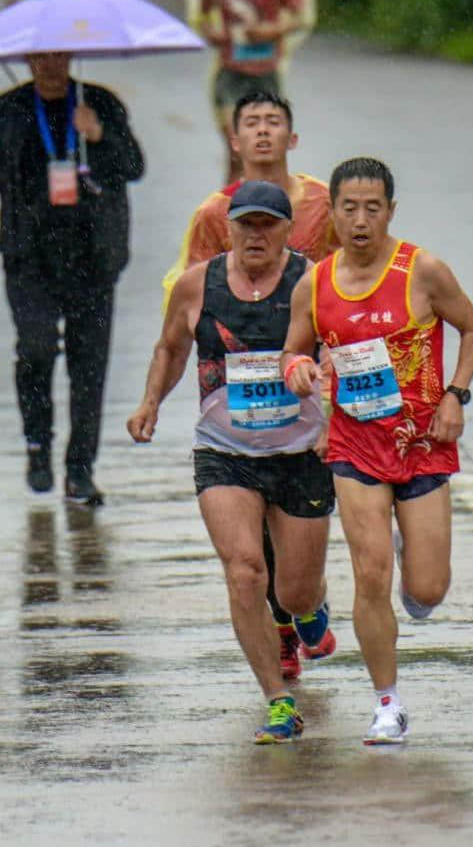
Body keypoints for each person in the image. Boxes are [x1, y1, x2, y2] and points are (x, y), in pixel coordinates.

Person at [282, 157, 473, 745]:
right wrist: (297, 369)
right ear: (334, 216)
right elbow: (292, 350)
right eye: (349, 208)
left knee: (425, 591)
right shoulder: (315, 283)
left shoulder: (422, 270)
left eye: (373, 208)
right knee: (370, 573)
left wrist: (455, 396)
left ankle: (414, 571)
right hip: (354, 443)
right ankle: (387, 704)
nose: (361, 220)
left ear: (390, 212)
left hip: (422, 444)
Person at [127, 181, 335, 744]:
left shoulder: (314, 282)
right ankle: (278, 699)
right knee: (245, 571)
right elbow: (171, 347)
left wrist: (336, 420)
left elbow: (341, 350)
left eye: (268, 224)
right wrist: (150, 402)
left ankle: (310, 607)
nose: (256, 235)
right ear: (230, 229)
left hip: (300, 454)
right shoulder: (198, 285)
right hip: (226, 454)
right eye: (246, 224)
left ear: (288, 231)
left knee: (293, 592)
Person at [162, 88, 339, 682]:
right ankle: (281, 637)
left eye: (274, 123)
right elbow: (189, 287)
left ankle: (300, 605)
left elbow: (355, 278)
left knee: (293, 549)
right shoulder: (214, 213)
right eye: (251, 124)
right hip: (238, 383)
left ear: (292, 136)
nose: (263, 133)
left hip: (311, 382)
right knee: (248, 547)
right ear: (234, 141)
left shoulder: (322, 204)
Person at [0, 51, 144, 504]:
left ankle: (80, 468)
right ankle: (37, 444)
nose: (49, 65)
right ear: (26, 59)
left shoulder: (99, 102)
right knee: (37, 347)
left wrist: (98, 136)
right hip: (30, 257)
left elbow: (133, 167)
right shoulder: (10, 109)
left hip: (93, 257)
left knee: (89, 366)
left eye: (58, 56)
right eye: (40, 57)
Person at [185, 0, 315, 182]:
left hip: (266, 74)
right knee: (237, 151)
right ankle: (229, 214)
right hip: (230, 72)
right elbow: (201, 17)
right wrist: (213, 34)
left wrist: (272, 31)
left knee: (264, 155)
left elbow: (299, 18)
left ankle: (265, 210)